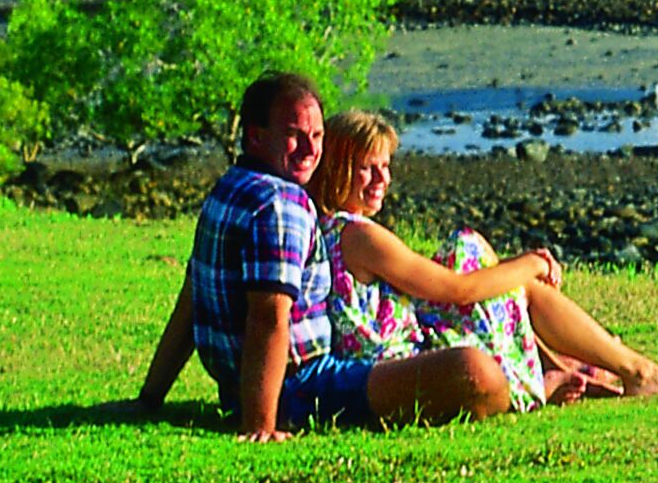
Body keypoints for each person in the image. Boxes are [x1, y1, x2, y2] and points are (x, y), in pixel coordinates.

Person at [134, 72, 509, 438]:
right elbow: (269, 316)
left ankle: (546, 376)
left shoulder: (229, 189)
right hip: (302, 389)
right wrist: (261, 425)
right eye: (294, 136)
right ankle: (536, 386)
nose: (312, 150)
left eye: (317, 136)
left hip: (240, 390)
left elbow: (191, 299)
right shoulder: (282, 204)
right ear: (256, 136)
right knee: (476, 371)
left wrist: (150, 398)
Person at [308, 110, 658, 404]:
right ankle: (633, 370)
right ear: (339, 170)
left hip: (403, 343)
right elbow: (458, 291)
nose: (383, 180)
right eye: (367, 169)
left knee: (468, 247)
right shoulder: (358, 235)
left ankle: (561, 366)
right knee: (515, 285)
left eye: (386, 166)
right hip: (403, 359)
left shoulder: (333, 228)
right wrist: (532, 263)